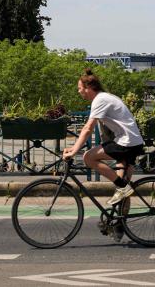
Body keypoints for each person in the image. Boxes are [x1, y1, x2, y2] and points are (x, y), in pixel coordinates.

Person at [63, 68, 145, 207]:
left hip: (127, 142)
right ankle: (118, 224)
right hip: (129, 141)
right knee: (121, 191)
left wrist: (74, 151)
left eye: (79, 88)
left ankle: (123, 188)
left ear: (88, 87)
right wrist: (73, 147)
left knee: (88, 157)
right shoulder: (106, 97)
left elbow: (88, 128)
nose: (78, 91)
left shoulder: (100, 100)